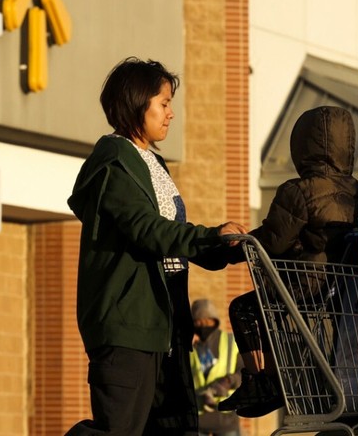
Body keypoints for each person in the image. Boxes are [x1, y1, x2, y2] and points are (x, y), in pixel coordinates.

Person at [66, 57, 247, 436]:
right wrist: (210, 235)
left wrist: (231, 247)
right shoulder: (115, 164)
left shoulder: (153, 163)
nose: (171, 114)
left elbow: (175, 246)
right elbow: (149, 231)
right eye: (163, 103)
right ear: (137, 103)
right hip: (128, 330)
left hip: (167, 331)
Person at [217, 105, 358, 418]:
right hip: (338, 289)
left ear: (302, 144)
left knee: (245, 309)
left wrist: (236, 246)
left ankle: (262, 380)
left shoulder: (298, 191)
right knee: (275, 312)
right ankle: (277, 380)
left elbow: (274, 240)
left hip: (303, 284)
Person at [190, 299, 243, 436]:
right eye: (197, 322)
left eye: (206, 321)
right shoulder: (191, 349)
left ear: (214, 321)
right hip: (198, 419)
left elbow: (244, 373)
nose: (202, 325)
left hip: (226, 418)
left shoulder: (231, 342)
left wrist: (228, 381)